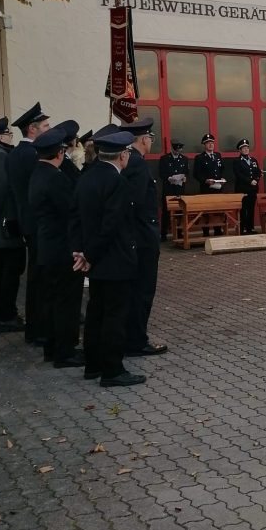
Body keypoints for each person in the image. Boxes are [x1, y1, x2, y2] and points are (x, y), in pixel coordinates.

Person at [70, 128, 145, 388]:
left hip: (95, 258)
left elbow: (75, 217)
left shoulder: (86, 177)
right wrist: (89, 254)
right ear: (123, 155)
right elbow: (110, 226)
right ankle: (112, 370)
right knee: (114, 316)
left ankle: (93, 364)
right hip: (115, 258)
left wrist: (81, 251)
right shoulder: (117, 182)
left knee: (96, 312)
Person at [28, 125, 85, 368]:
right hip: (63, 249)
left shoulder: (37, 174)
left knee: (51, 300)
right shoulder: (56, 178)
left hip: (47, 246)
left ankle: (51, 348)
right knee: (67, 302)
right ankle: (66, 352)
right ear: (60, 153)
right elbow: (70, 211)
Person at [6, 101, 50, 344]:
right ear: (32, 128)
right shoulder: (33, 154)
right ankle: (39, 329)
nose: (49, 129)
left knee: (36, 275)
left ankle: (36, 328)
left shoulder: (15, 153)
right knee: (40, 278)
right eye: (45, 126)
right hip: (39, 223)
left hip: (28, 222)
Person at [122, 117, 167, 358]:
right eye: (150, 137)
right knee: (143, 290)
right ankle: (137, 340)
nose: (151, 141)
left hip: (136, 236)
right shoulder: (137, 164)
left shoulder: (130, 161)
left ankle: (132, 336)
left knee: (136, 290)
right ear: (143, 139)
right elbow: (137, 203)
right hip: (142, 237)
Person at [0, 117, 26, 332]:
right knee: (8, 272)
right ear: (0, 136)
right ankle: (5, 316)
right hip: (4, 226)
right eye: (9, 134)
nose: (11, 137)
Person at [194, 132, 226, 237]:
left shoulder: (218, 156)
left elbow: (221, 169)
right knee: (206, 211)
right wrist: (205, 180)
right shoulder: (200, 157)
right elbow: (196, 174)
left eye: (212, 142)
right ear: (204, 145)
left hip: (218, 187)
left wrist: (222, 178)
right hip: (206, 188)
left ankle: (218, 229)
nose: (211, 145)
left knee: (218, 209)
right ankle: (206, 231)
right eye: (208, 143)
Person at [158, 139, 189, 241]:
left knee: (180, 210)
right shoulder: (164, 159)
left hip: (180, 188)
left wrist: (184, 178)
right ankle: (164, 233)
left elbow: (186, 172)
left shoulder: (184, 159)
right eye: (176, 149)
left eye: (179, 150)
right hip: (169, 188)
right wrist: (169, 178)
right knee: (166, 211)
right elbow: (161, 173)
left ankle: (179, 232)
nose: (178, 151)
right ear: (172, 148)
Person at [233, 138, 262, 234]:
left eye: (247, 148)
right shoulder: (237, 161)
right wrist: (250, 181)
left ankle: (250, 228)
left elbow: (258, 172)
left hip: (253, 189)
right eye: (244, 148)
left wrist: (256, 180)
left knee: (251, 208)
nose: (246, 150)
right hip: (242, 189)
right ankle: (243, 228)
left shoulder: (253, 160)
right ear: (240, 150)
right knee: (243, 209)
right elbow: (238, 174)